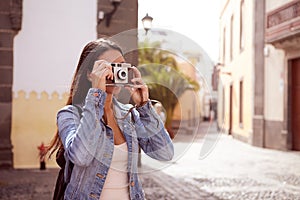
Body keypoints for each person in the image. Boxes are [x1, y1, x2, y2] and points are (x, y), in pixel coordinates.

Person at [45, 38, 174, 200]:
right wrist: (96, 95)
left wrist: (144, 106)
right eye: (108, 67)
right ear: (89, 73)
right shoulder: (69, 115)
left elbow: (165, 153)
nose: (115, 73)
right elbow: (81, 157)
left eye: (120, 66)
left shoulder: (129, 115)